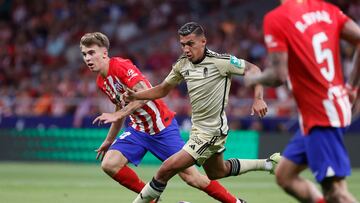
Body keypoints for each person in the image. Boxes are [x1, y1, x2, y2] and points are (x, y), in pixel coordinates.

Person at [80, 32, 252, 203]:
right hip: (138, 130)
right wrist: (109, 140)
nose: (87, 58)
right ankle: (153, 199)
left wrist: (118, 114)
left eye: (91, 52)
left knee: (192, 178)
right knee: (109, 164)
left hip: (162, 128)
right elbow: (120, 105)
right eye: (84, 54)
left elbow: (146, 95)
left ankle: (235, 202)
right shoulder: (101, 81)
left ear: (104, 53)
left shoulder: (121, 66)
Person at [123, 22, 281, 203]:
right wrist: (136, 95)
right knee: (217, 172)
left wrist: (258, 97)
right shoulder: (182, 65)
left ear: (203, 41)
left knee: (165, 169)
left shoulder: (221, 61)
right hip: (198, 130)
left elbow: (254, 69)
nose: (186, 49)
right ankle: (269, 163)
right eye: (183, 44)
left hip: (212, 131)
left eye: (190, 44)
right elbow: (163, 89)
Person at [245, 0, 360, 202]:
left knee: (336, 192)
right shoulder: (327, 10)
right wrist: (351, 87)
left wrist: (254, 79)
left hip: (321, 113)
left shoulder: (277, 18)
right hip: (326, 107)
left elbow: (278, 76)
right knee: (285, 175)